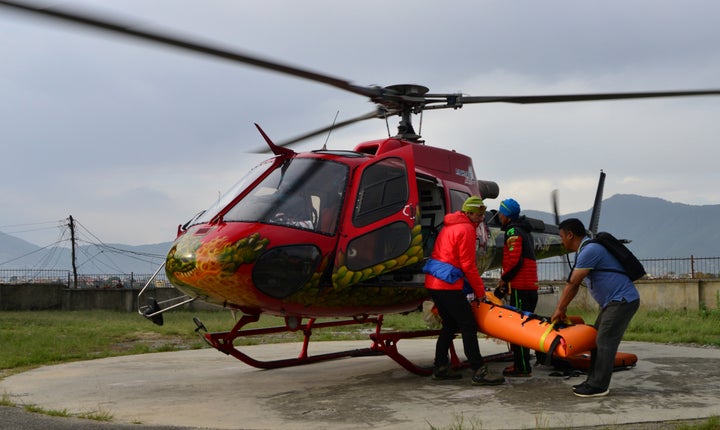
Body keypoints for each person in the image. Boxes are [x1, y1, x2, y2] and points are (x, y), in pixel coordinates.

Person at [551, 218, 640, 398]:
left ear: (570, 235)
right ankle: (592, 380)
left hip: (622, 301)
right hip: (613, 302)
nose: (561, 241)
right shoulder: (586, 250)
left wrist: (560, 309)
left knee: (604, 341)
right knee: (595, 339)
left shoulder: (590, 250)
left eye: (562, 236)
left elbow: (573, 283)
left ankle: (599, 386)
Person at [423, 196, 505, 385]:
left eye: (483, 214)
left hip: (434, 282)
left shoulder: (449, 225)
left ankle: (441, 367)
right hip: (448, 284)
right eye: (478, 214)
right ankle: (479, 370)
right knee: (468, 324)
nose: (481, 218)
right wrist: (480, 291)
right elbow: (468, 264)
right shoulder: (467, 229)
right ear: (468, 213)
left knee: (450, 325)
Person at [494, 198, 539, 378]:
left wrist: (503, 280)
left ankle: (521, 367)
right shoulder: (525, 231)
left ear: (506, 215)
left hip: (521, 286)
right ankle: (523, 364)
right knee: (525, 327)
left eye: (501, 213)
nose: (499, 216)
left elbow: (514, 261)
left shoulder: (513, 231)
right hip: (529, 286)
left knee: (518, 329)